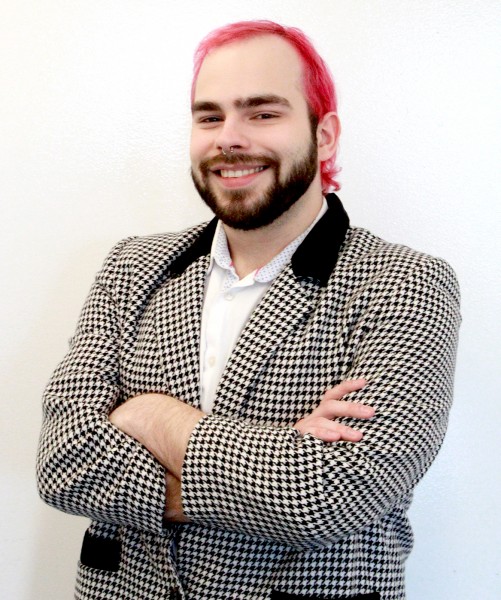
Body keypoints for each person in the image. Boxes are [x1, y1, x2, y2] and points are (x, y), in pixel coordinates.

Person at [36, 20, 460, 600]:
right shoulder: (131, 267)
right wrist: (278, 464)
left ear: (325, 136)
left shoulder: (407, 283)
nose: (229, 138)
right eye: (209, 117)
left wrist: (153, 417)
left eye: (262, 113)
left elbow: (332, 496)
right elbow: (62, 463)